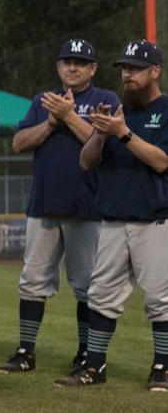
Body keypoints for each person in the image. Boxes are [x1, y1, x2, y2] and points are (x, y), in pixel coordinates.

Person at [1, 38, 118, 374]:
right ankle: (25, 351)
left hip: (88, 206)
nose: (72, 67)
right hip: (44, 204)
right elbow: (20, 142)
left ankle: (85, 353)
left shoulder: (104, 99)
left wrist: (67, 116)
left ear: (93, 68)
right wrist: (51, 121)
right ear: (58, 66)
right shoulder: (43, 101)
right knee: (32, 281)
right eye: (67, 61)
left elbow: (105, 145)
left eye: (81, 62)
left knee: (86, 286)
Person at [57, 40, 168, 391]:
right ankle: (94, 366)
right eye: (124, 67)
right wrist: (102, 135)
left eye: (135, 68)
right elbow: (86, 161)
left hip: (154, 219)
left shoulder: (164, 109)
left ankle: (163, 367)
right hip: (113, 219)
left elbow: (162, 161)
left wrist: (123, 133)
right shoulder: (119, 111)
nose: (127, 74)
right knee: (101, 293)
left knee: (159, 298)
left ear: (155, 72)